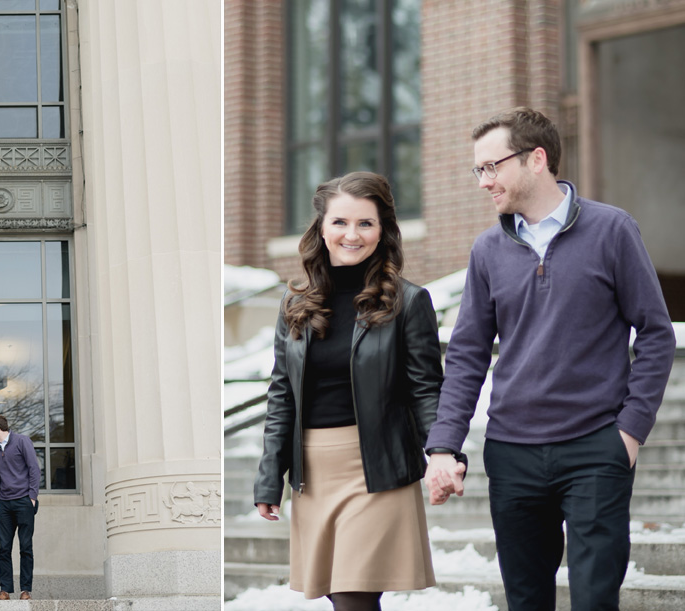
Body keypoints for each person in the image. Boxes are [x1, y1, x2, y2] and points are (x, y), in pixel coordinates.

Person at [424, 107, 677, 610]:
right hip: (512, 453)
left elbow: (656, 333)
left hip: (595, 449)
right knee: (525, 601)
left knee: (593, 599)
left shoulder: (612, 230)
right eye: (478, 169)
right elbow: (469, 355)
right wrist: (443, 445)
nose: (483, 181)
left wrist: (628, 433)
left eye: (492, 166)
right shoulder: (487, 251)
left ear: (536, 159)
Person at [253, 171, 451, 611]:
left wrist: (443, 452)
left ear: (382, 233)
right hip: (313, 471)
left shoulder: (407, 302)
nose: (352, 234)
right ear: (321, 229)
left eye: (366, 223)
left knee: (353, 596)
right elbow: (282, 394)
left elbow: (425, 390)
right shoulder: (295, 305)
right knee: (340, 595)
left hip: (376, 468)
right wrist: (271, 475)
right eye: (340, 222)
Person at [0, 414, 41, 601]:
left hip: (23, 501)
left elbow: (34, 468)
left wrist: (32, 497)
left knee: (26, 547)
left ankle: (26, 590)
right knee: (4, 549)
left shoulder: (22, 441)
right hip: (4, 504)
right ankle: (5, 590)